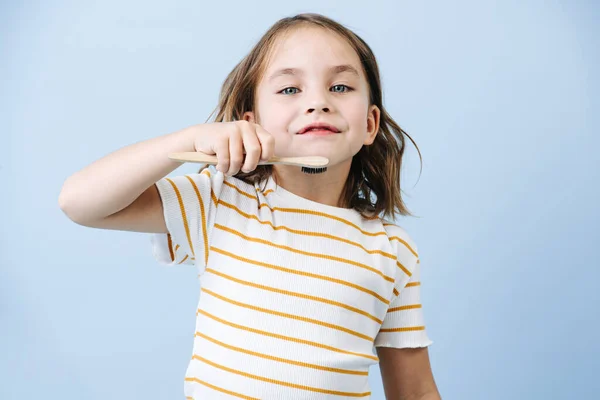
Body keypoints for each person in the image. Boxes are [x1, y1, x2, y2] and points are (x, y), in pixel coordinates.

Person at [59, 12, 440, 400]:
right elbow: (80, 203)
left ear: (370, 125)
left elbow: (416, 392)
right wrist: (191, 139)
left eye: (340, 86)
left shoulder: (392, 252)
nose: (318, 102)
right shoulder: (218, 203)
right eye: (290, 90)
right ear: (251, 123)